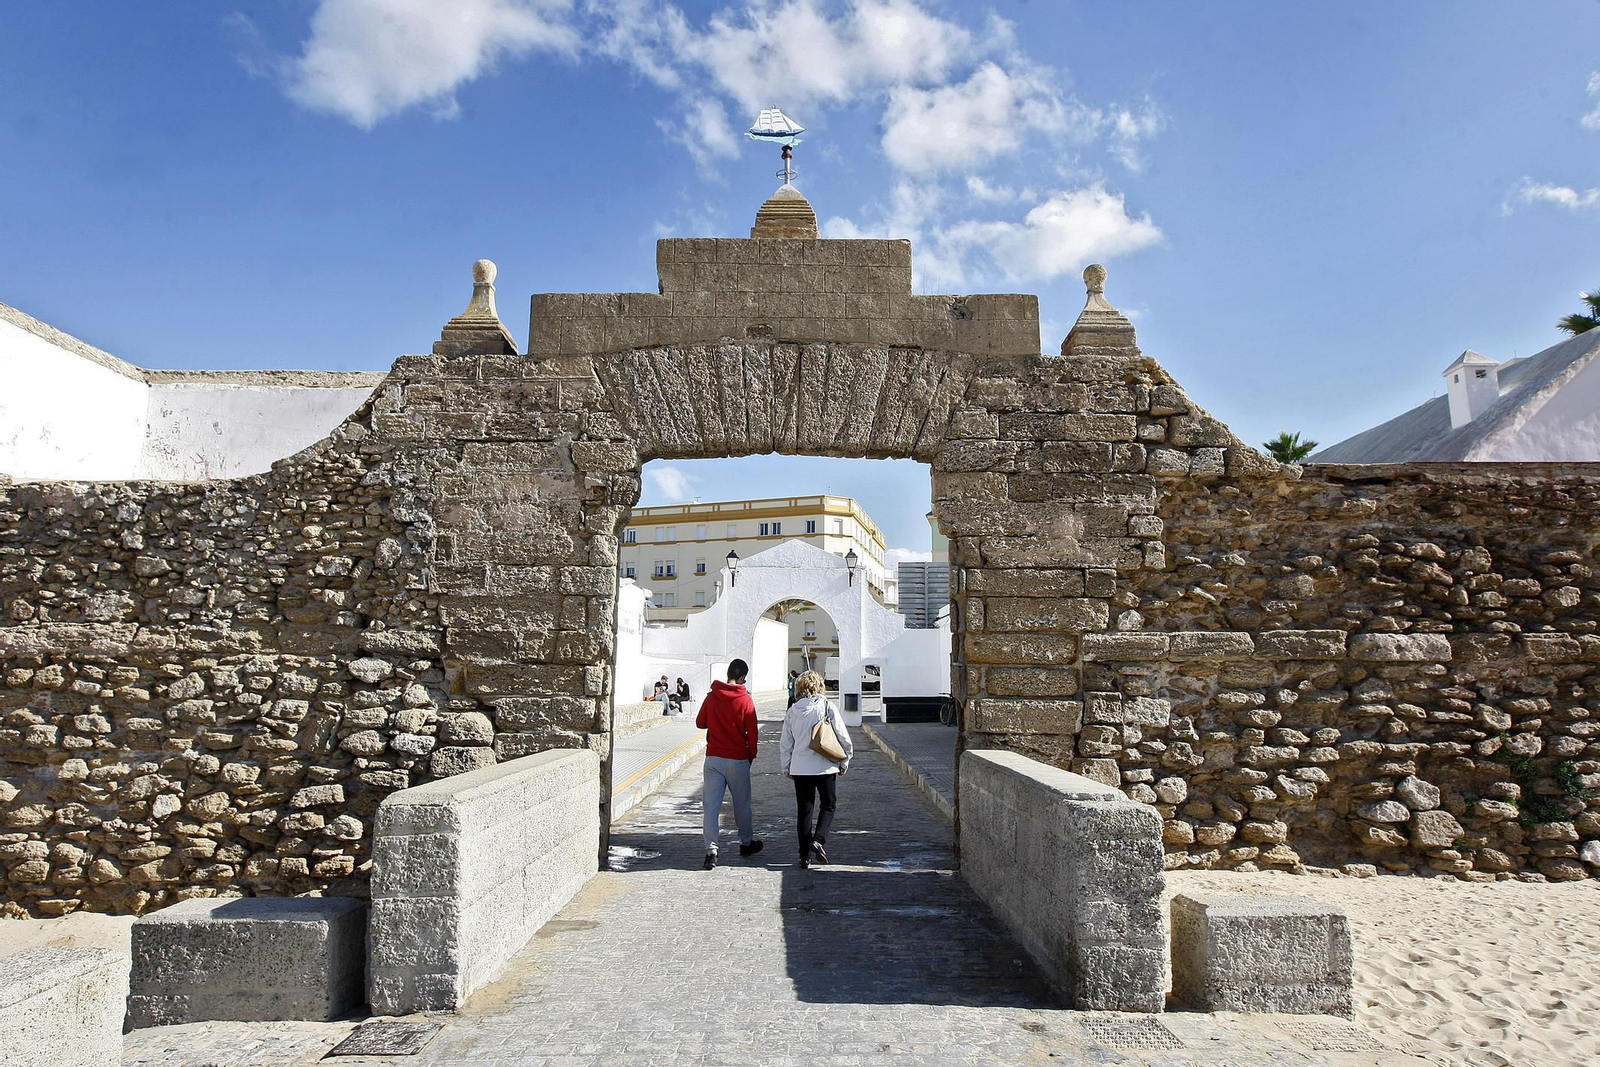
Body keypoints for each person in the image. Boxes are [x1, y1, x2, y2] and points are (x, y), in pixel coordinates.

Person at [779, 669, 853, 868]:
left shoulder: (792, 712)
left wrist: (786, 767)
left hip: (800, 768)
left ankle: (804, 856)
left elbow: (786, 744)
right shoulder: (827, 706)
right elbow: (842, 736)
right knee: (828, 805)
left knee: (804, 811)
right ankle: (819, 839)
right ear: (819, 686)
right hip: (825, 766)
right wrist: (845, 760)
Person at [696, 659, 763, 869]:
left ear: (728, 674)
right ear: (742, 677)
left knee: (711, 806)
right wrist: (750, 756)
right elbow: (752, 733)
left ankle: (711, 851)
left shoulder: (712, 696)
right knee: (741, 804)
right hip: (738, 759)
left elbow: (700, 723)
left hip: (714, 758)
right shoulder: (745, 700)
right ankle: (746, 843)